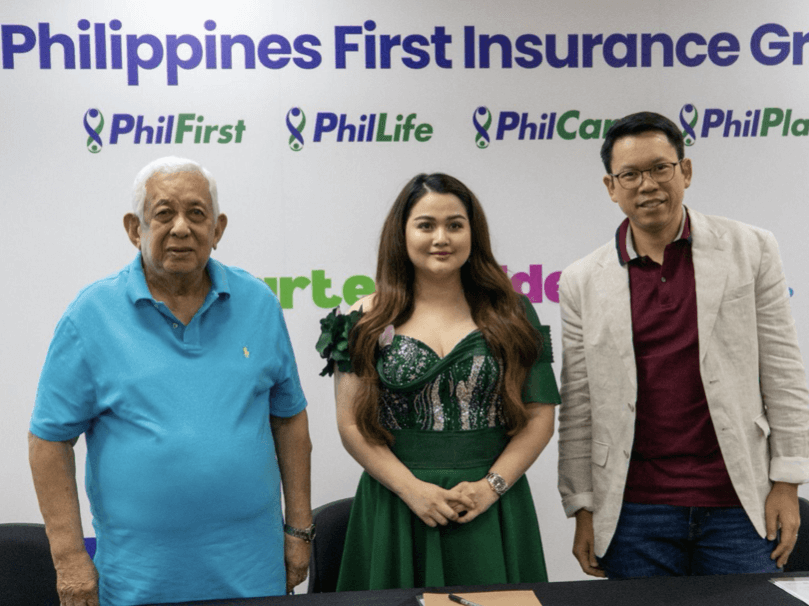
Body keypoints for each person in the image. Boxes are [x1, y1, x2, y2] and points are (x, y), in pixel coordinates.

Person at [28, 156, 313, 605]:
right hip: (138, 583)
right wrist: (68, 558)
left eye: (196, 214)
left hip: (252, 573)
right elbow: (48, 441)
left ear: (217, 230)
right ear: (133, 227)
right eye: (164, 213)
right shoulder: (90, 316)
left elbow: (290, 419)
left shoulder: (258, 303)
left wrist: (299, 529)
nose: (181, 228)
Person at [557, 111, 809, 578]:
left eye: (660, 168)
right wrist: (582, 506)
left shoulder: (751, 248)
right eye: (629, 174)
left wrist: (788, 481)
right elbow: (578, 406)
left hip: (739, 502)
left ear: (685, 171)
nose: (647, 184)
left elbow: (784, 371)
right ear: (611, 187)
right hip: (634, 511)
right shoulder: (580, 281)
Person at [316, 173, 560, 590]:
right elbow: (350, 425)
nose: (441, 238)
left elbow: (540, 417)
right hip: (397, 505)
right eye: (426, 224)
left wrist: (491, 488)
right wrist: (412, 490)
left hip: (490, 506)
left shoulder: (515, 312)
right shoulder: (363, 317)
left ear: (473, 232)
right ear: (402, 233)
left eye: (455, 224)